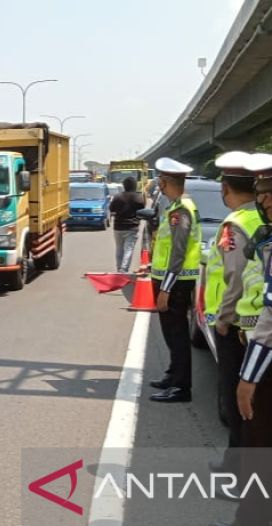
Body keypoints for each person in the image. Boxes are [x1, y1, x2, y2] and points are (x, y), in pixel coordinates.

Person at [209, 153, 272, 526]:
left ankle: (248, 524)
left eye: (269, 192)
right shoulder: (261, 228)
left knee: (257, 441)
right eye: (261, 191)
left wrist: (248, 377)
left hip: (256, 341)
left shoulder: (236, 223)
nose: (263, 200)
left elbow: (269, 312)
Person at [203, 152, 263, 479]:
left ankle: (238, 473)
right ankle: (233, 465)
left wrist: (223, 320)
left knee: (237, 403)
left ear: (226, 188)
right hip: (256, 327)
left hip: (238, 326)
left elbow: (234, 277)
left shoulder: (235, 223)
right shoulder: (261, 219)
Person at [148, 157, 201, 403]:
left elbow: (178, 252)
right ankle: (172, 375)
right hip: (168, 279)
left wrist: (165, 289)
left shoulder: (181, 210)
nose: (158, 184)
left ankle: (181, 388)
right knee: (170, 333)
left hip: (176, 283)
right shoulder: (174, 207)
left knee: (177, 335)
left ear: (165, 181)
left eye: (160, 180)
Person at [109, 176, 145, 272]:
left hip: (118, 227)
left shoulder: (117, 197)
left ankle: (119, 268)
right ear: (135, 186)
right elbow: (142, 212)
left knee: (119, 249)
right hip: (132, 227)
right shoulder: (139, 197)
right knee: (128, 249)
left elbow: (111, 209)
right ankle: (124, 269)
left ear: (124, 186)